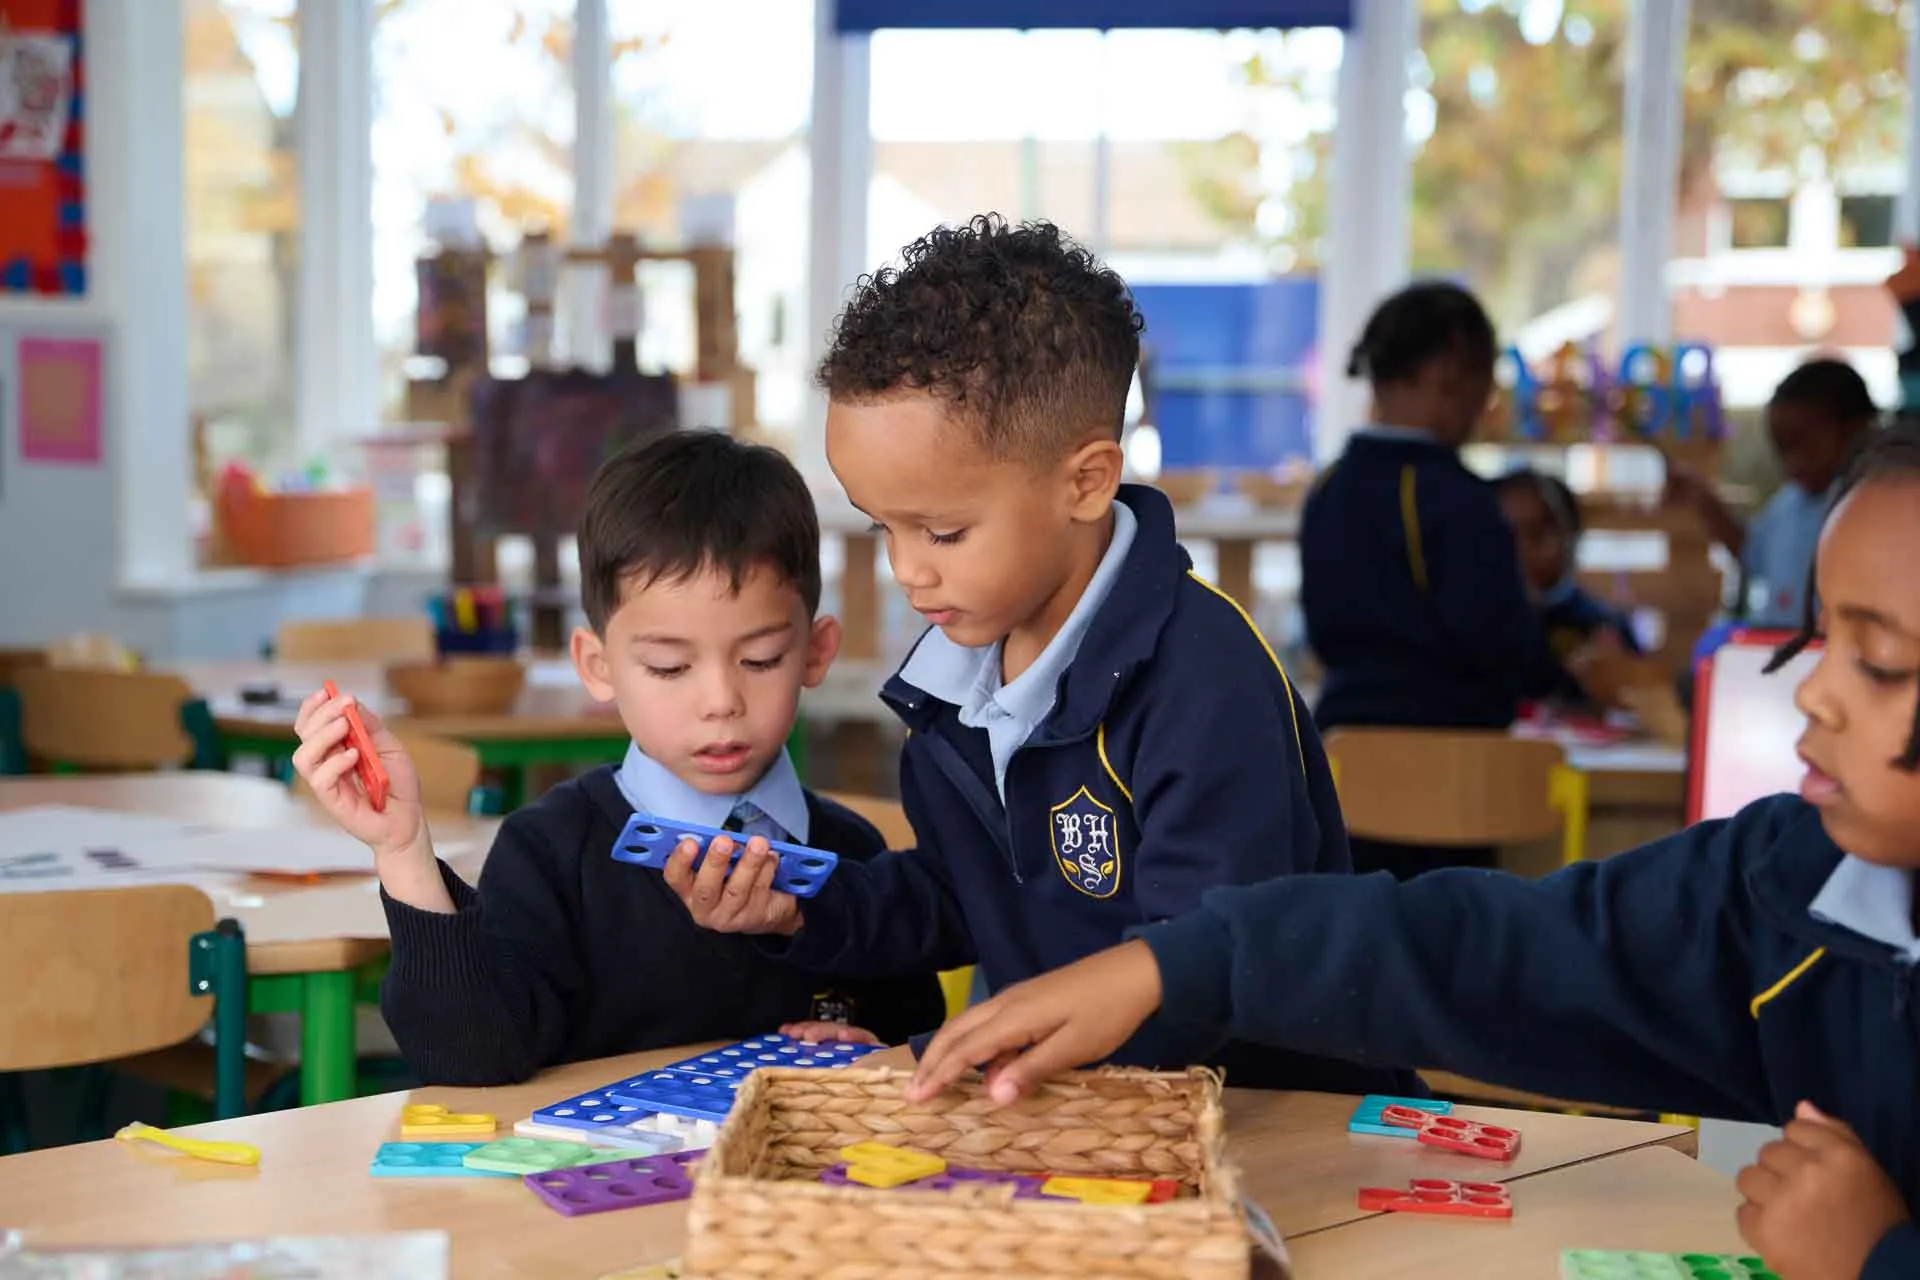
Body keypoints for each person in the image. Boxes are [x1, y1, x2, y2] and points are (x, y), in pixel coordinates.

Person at [907, 422, 1920, 1280]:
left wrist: (1877, 1256)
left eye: (1878, 662)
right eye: (1818, 639)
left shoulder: (1200, 664)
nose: (1814, 692)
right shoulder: (1786, 889)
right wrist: (1174, 963)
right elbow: (1491, 949)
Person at [668, 214, 1411, 1095]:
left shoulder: (1206, 682)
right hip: (1081, 1122)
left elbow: (1197, 974)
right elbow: (957, 897)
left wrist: (938, 1057)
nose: (907, 569)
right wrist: (798, 910)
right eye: (882, 528)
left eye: (943, 531)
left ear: (1086, 483)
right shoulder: (957, 673)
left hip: (1286, 1122)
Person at [291, 430, 944, 1086]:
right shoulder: (552, 852)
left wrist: (877, 1053)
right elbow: (473, 1056)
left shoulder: (856, 859)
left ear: (816, 653)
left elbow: (918, 1040)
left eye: (761, 659)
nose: (721, 702)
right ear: (597, 667)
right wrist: (403, 851)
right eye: (669, 667)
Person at [1301, 282, 1595, 877]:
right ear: (1448, 377)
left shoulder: (1327, 489)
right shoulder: (1458, 498)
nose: (1484, 406)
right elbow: (1500, 638)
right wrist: (1570, 683)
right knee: (1454, 922)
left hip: (1346, 763)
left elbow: (1323, 633)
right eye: (1484, 387)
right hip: (1462, 769)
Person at [1667, 357, 1878, 630]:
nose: (1794, 463)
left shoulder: (1873, 510)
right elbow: (1750, 552)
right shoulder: (1789, 504)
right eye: (1783, 449)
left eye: (1807, 446)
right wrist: (1704, 499)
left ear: (1857, 428)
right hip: (1779, 645)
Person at [1494, 467, 1641, 701]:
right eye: (1506, 536)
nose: (1523, 551)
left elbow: (1640, 699)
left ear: (1571, 535)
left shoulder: (1602, 627)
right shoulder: (1477, 626)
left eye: (1538, 533)